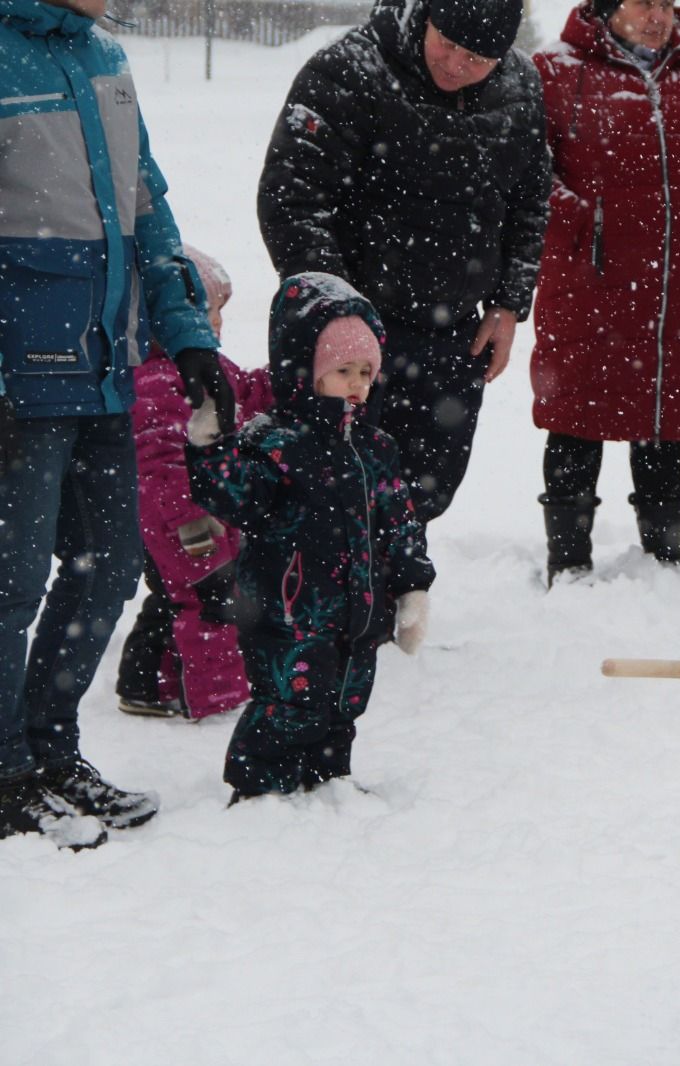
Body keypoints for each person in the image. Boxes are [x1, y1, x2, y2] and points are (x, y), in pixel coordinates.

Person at [0, 0, 234, 849]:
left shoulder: (103, 56)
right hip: (20, 379)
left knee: (108, 566)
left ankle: (50, 752)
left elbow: (146, 207)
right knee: (9, 583)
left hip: (107, 365)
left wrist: (189, 336)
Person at [257, 0, 550, 525]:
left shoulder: (521, 87)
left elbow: (529, 202)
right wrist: (339, 314)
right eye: (448, 42)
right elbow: (291, 199)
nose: (457, 64)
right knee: (329, 498)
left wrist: (508, 303)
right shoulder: (349, 70)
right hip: (354, 337)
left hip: (454, 336)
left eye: (478, 57)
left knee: (418, 499)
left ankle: (388, 599)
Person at [530, 0, 680, 581]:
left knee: (664, 414)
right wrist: (579, 225)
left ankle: (664, 561)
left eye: (664, 2)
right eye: (641, 3)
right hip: (589, 284)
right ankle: (568, 563)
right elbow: (529, 164)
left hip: (678, 287)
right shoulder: (556, 70)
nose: (657, 15)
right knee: (576, 415)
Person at [187, 274, 435, 801]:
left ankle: (328, 784)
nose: (356, 384)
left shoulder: (376, 447)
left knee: (344, 702)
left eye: (365, 372)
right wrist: (211, 448)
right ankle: (260, 789)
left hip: (359, 613)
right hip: (288, 615)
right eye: (342, 371)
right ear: (306, 371)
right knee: (288, 703)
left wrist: (413, 587)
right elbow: (237, 500)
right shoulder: (272, 442)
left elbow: (400, 522)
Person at [116, 247, 275, 720]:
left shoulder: (204, 368)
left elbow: (246, 392)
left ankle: (149, 682)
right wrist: (189, 519)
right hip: (181, 521)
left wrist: (290, 376)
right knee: (205, 599)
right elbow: (159, 466)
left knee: (177, 596)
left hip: (207, 509)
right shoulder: (156, 382)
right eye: (209, 313)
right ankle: (212, 697)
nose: (218, 325)